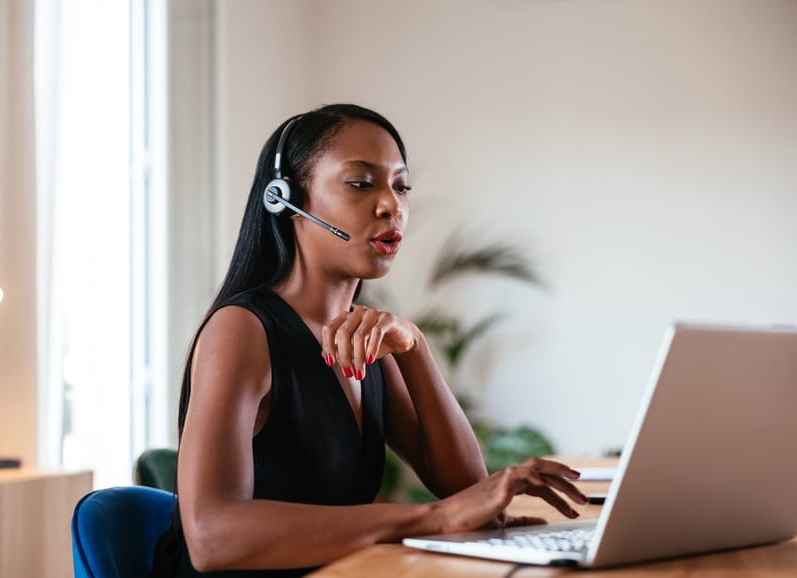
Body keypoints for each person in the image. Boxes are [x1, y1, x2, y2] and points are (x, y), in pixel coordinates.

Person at [152, 104, 587, 577]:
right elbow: (212, 537)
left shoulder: (367, 339)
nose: (390, 205)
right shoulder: (242, 330)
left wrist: (415, 348)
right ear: (286, 198)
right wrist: (430, 520)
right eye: (361, 183)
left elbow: (464, 488)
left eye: (400, 186)